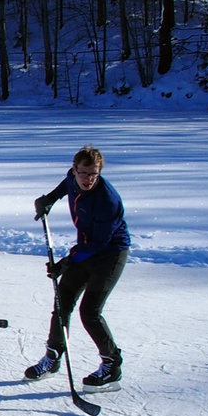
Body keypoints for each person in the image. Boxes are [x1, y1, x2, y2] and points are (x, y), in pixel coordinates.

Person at [25, 145, 131, 391]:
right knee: (62, 302)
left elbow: (99, 243)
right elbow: (66, 186)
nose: (87, 179)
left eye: (93, 174)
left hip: (110, 254)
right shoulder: (72, 179)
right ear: (74, 170)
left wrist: (66, 262)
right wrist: (48, 199)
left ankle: (112, 365)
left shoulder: (108, 201)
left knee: (90, 311)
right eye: (83, 173)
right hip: (86, 248)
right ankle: (52, 358)